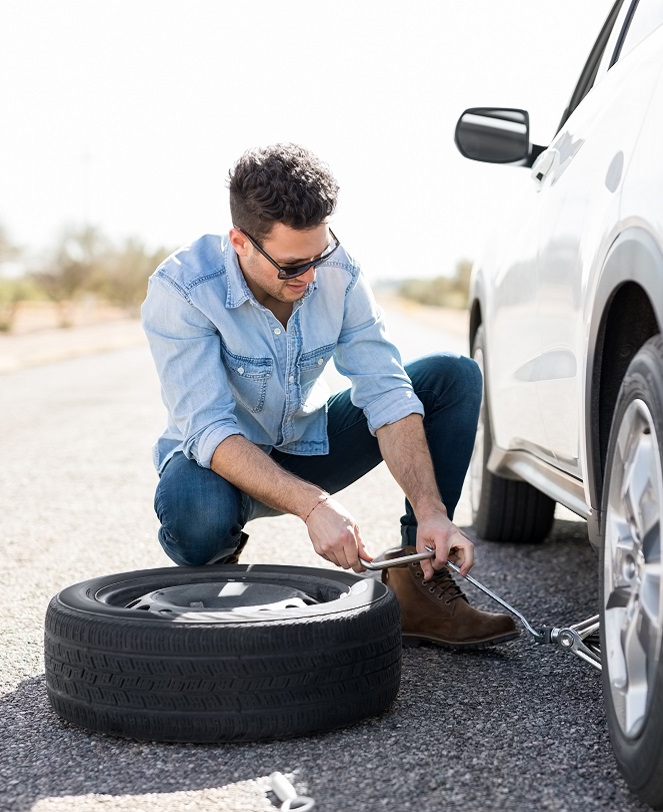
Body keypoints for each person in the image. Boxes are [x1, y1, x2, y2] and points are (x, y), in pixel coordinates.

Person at [140, 143, 517, 649]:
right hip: (219, 469)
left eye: (319, 256)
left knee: (453, 376)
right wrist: (314, 507)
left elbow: (384, 390)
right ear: (240, 242)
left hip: (306, 443)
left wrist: (432, 510)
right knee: (195, 510)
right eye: (294, 266)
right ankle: (213, 582)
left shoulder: (337, 272)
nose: (311, 276)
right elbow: (209, 429)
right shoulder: (183, 288)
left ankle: (419, 583)